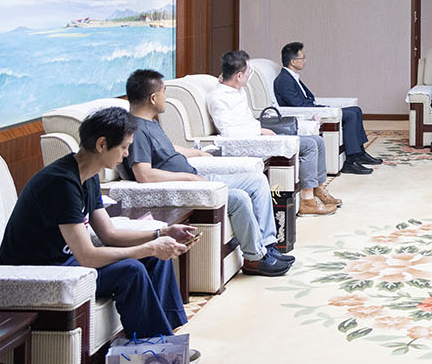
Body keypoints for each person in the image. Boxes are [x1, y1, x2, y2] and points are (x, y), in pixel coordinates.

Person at [0, 106, 194, 338]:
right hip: (37, 271)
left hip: (65, 261)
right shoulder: (61, 183)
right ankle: (152, 347)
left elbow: (110, 235)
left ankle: (167, 337)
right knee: (132, 270)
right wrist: (149, 248)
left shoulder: (88, 176)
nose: (127, 154)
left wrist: (162, 233)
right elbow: (87, 257)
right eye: (124, 147)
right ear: (101, 144)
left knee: (154, 259)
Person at [122, 68, 292, 277]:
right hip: (186, 186)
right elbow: (144, 175)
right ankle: (254, 258)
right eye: (164, 92)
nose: (166, 97)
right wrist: (188, 177)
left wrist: (197, 153)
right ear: (153, 98)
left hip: (196, 178)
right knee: (239, 198)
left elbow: (168, 149)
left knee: (257, 181)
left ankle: (267, 246)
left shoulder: (151, 123)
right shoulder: (137, 130)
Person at [207, 50, 337, 216]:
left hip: (257, 135)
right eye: (248, 72)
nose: (250, 75)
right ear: (238, 76)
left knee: (317, 140)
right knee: (309, 145)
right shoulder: (218, 98)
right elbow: (228, 132)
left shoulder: (236, 89)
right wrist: (259, 131)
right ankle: (307, 201)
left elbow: (227, 80)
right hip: (247, 142)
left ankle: (318, 189)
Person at [274, 41, 385, 175]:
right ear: (293, 61)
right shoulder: (284, 80)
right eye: (302, 58)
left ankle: (359, 153)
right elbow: (298, 105)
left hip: (312, 109)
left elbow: (306, 99)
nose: (305, 61)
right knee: (351, 115)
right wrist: (323, 109)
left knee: (356, 110)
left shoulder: (291, 77)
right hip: (305, 114)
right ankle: (350, 162)